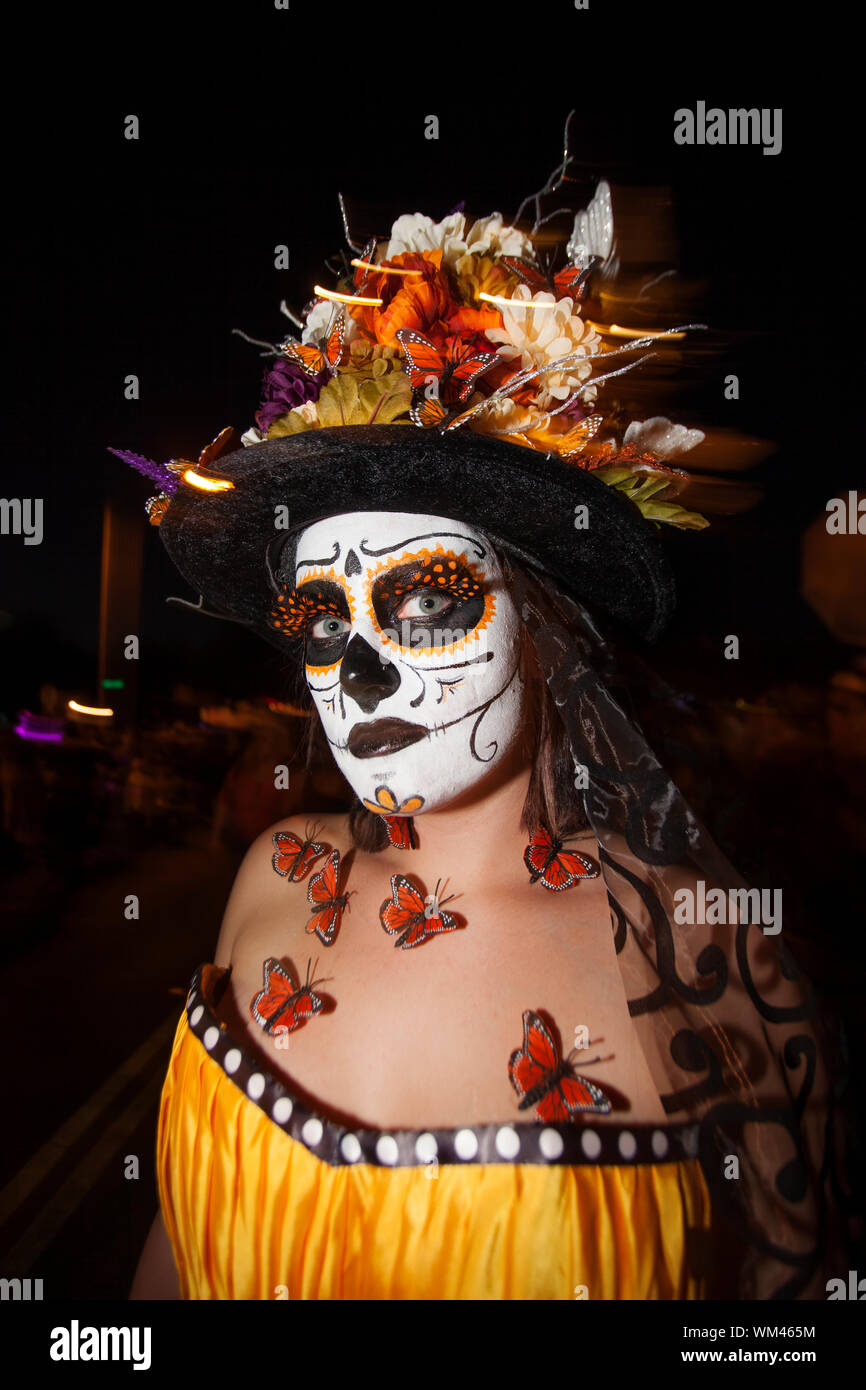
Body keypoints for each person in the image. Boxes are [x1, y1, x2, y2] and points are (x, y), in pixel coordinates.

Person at [126, 170, 851, 1300]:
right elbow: (169, 1265)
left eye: (425, 598)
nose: (355, 666)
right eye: (321, 619)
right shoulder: (272, 879)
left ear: (543, 621)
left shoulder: (703, 957)